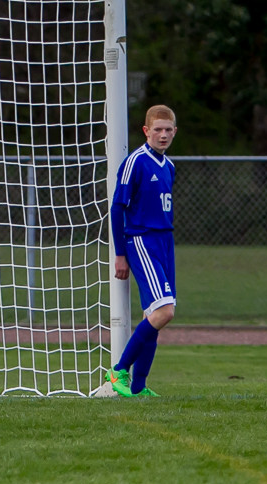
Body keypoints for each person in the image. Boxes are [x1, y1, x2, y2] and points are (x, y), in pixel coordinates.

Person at [106, 104, 177, 397]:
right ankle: (119, 370)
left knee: (155, 314)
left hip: (164, 243)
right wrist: (120, 254)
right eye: (158, 129)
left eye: (168, 129)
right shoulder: (135, 162)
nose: (163, 135)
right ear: (146, 131)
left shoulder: (169, 166)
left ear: (175, 131)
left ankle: (138, 387)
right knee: (164, 311)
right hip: (141, 241)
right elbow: (117, 208)